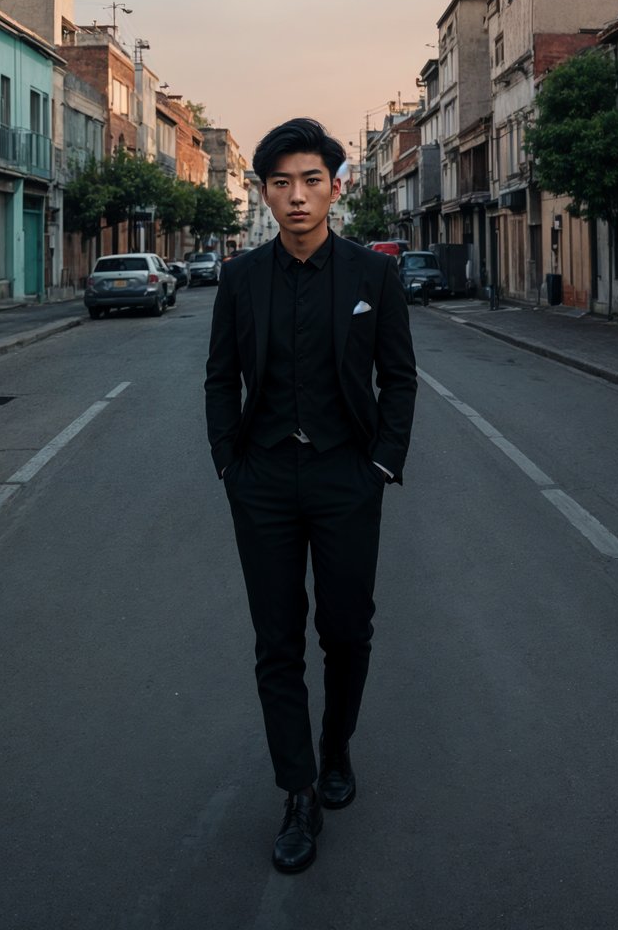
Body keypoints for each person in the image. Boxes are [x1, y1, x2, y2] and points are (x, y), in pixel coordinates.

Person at [205, 117, 417, 873]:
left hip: (345, 479)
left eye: (311, 180)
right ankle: (296, 792)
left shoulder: (374, 276)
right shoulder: (240, 278)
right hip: (262, 481)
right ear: (264, 193)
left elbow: (399, 379)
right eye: (281, 183)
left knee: (347, 631)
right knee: (276, 643)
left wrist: (382, 466)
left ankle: (335, 751)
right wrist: (229, 465)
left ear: (336, 185)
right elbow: (219, 377)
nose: (297, 197)